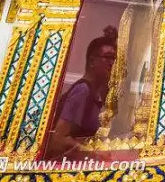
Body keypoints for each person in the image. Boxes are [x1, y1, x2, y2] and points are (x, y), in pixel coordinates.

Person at [46, 30, 118, 159]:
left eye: (114, 58)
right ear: (91, 61)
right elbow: (58, 139)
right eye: (107, 57)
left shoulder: (95, 94)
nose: (112, 63)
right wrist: (93, 154)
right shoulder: (82, 91)